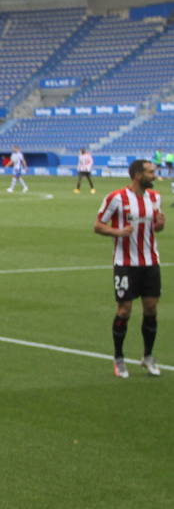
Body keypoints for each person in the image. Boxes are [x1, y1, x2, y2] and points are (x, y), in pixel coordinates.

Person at [94, 159, 164, 378]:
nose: (155, 175)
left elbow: (156, 227)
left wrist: (160, 225)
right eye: (151, 172)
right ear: (137, 175)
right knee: (124, 310)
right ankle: (119, 358)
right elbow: (98, 226)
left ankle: (148, 357)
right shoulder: (116, 198)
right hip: (125, 264)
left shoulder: (155, 197)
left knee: (151, 309)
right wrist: (117, 232)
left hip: (150, 262)